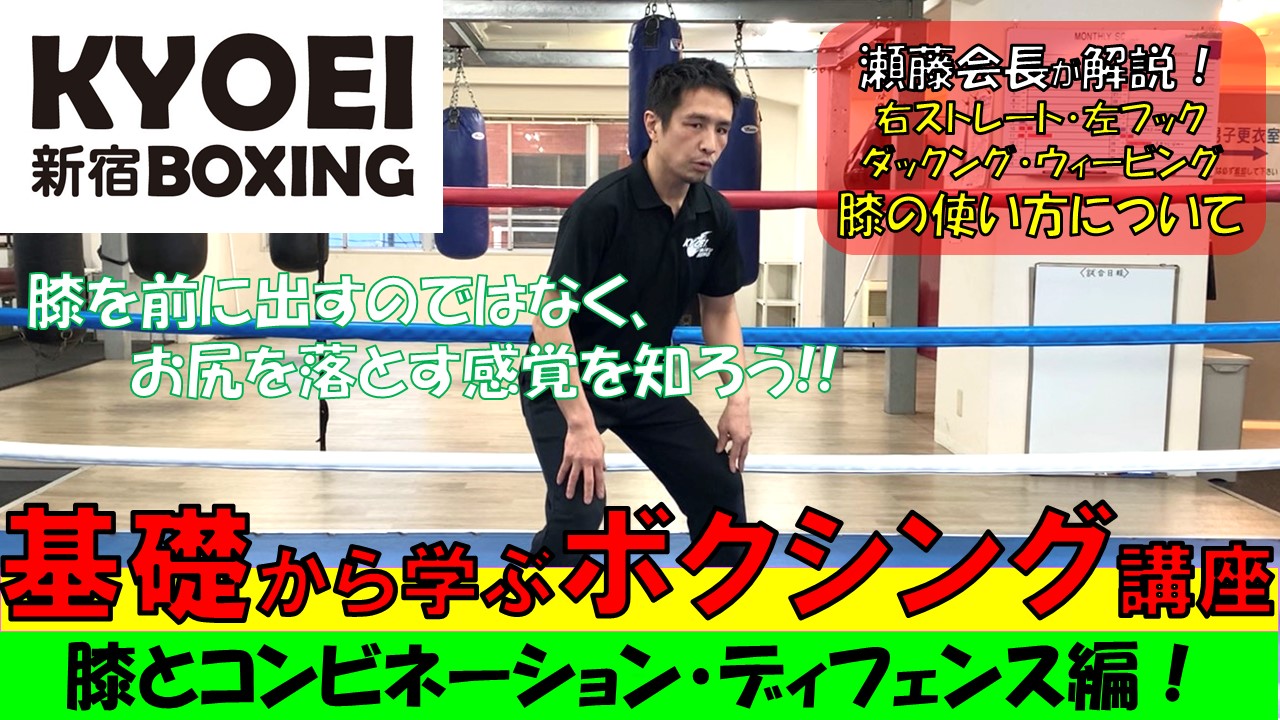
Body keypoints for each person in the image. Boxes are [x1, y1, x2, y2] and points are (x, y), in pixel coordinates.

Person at [519, 57, 752, 568]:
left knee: (720, 491)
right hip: (567, 376)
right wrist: (580, 425)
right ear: (654, 124)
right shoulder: (601, 209)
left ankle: (720, 604)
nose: (710, 143)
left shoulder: (713, 214)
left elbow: (719, 312)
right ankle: (542, 603)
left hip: (642, 375)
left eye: (721, 129)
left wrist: (737, 399)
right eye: (695, 124)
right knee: (579, 514)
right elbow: (549, 319)